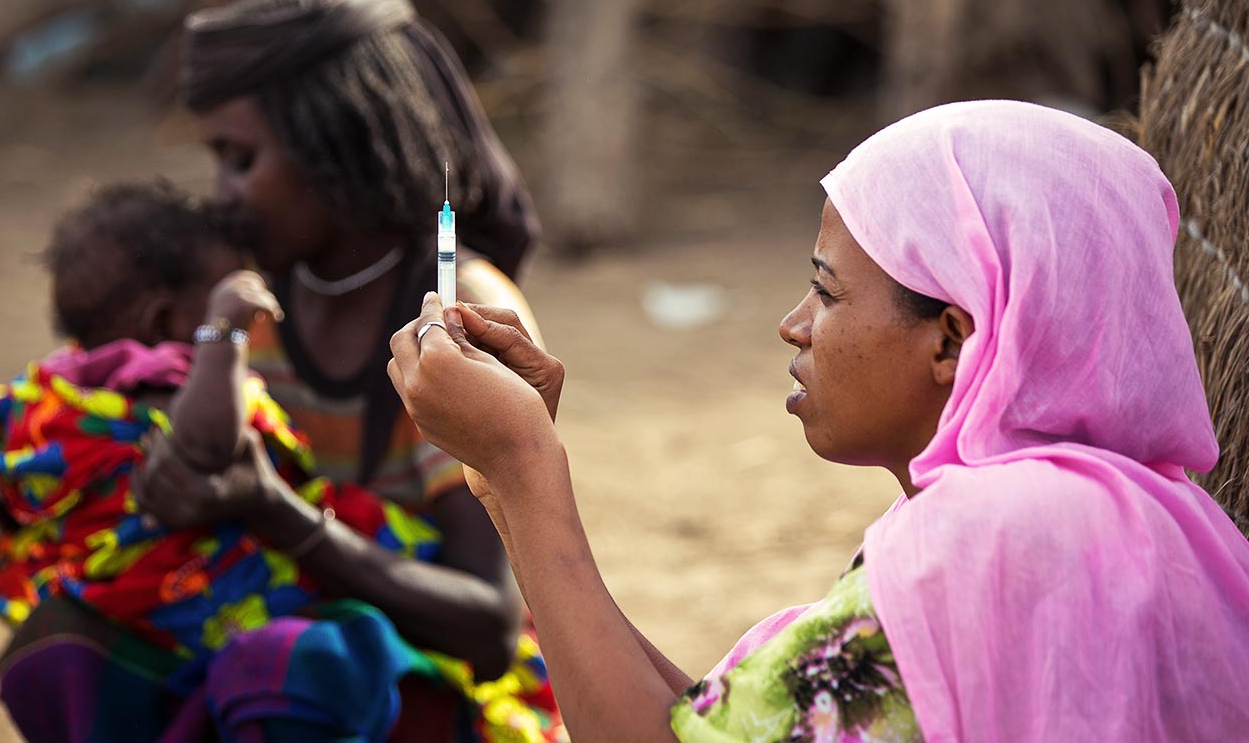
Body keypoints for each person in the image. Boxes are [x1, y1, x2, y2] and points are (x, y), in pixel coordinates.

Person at [386, 100, 1249, 742]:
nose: (793, 324)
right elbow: (720, 725)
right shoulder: (1143, 528)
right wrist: (506, 480)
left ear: (951, 340)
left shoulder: (992, 543)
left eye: (828, 291)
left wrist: (532, 471)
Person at [0, 0, 562, 740]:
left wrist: (272, 510)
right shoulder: (240, 306)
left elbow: (487, 627)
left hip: (444, 693)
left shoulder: (455, 316)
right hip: (255, 644)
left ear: (338, 144)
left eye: (241, 159)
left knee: (288, 663)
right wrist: (29, 488)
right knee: (58, 651)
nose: (223, 193)